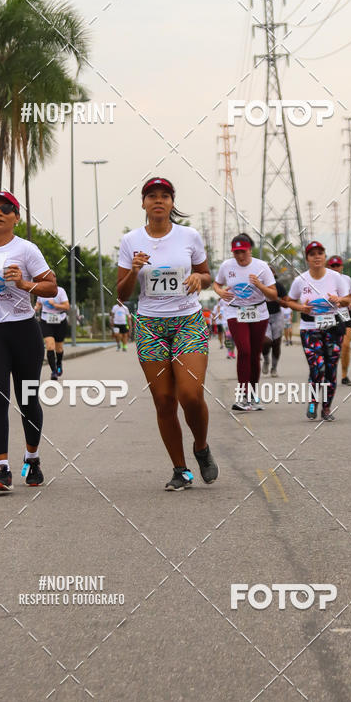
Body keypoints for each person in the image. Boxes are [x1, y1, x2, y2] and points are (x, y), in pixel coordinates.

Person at [117, 177, 218, 491]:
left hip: (187, 321)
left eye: (164, 196)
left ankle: (200, 446)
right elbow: (121, 294)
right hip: (150, 325)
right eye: (152, 196)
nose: (158, 201)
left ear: (172, 203)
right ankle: (180, 469)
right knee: (163, 400)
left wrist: (200, 279)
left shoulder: (189, 235)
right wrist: (133, 270)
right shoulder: (130, 241)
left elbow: (206, 273)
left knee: (190, 394)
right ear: (144, 204)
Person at [0, 192, 57, 492]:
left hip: (23, 330)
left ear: (16, 217)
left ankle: (32, 458)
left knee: (27, 399)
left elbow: (51, 286)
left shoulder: (27, 249)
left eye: (6, 209)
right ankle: (2, 469)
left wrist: (24, 283)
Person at [284, 241, 351, 421]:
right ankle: (313, 400)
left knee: (330, 369)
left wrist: (339, 299)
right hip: (310, 328)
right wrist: (300, 307)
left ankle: (327, 408)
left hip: (332, 328)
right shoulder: (300, 280)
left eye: (320, 253)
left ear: (325, 257)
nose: (317, 256)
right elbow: (289, 301)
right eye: (312, 254)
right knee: (318, 367)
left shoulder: (336, 278)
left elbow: (347, 301)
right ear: (307, 258)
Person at [214, 234, 280, 411]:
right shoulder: (227, 266)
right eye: (236, 252)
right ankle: (243, 396)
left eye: (242, 251)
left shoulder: (262, 266)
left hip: (258, 312)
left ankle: (252, 395)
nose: (239, 256)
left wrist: (259, 285)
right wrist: (220, 292)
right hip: (235, 311)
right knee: (244, 350)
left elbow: (273, 295)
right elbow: (216, 284)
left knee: (255, 353)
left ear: (250, 249)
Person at [326, 256, 351, 386]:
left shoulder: (347, 279)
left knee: (346, 346)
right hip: (329, 315)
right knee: (329, 347)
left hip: (345, 314)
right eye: (333, 266)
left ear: (342, 266)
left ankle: (344, 376)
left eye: (338, 265)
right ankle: (328, 374)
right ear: (329, 267)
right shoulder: (324, 280)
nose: (336, 268)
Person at [35, 287, 70, 378]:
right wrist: (35, 309)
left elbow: (67, 306)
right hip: (46, 321)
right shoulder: (41, 291)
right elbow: (38, 304)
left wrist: (55, 305)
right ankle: (54, 371)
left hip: (60, 321)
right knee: (50, 346)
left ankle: (58, 364)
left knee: (59, 348)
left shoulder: (61, 291)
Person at [261, 272, 288, 377]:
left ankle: (274, 368)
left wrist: (275, 298)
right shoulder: (259, 286)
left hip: (276, 315)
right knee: (266, 341)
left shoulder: (278, 286)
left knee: (276, 342)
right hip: (263, 316)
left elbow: (286, 303)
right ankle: (266, 360)